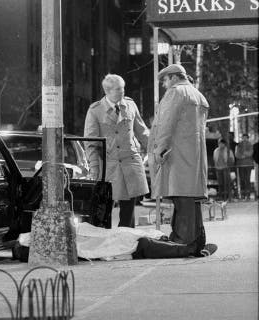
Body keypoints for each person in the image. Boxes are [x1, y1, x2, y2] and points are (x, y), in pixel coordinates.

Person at [148, 63, 215, 256]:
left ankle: (183, 243)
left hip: (177, 155)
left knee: (182, 198)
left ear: (174, 77)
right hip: (193, 156)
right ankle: (196, 240)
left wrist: (159, 150)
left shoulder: (176, 93)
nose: (164, 85)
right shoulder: (197, 95)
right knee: (191, 200)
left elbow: (166, 124)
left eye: (165, 80)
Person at [84, 74, 149, 228]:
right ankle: (105, 245)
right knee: (103, 212)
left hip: (130, 164)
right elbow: (91, 144)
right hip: (109, 167)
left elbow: (142, 131)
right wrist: (95, 170)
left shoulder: (130, 105)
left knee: (128, 214)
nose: (122, 91)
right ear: (107, 91)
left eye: (123, 88)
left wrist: (156, 148)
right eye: (118, 89)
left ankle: (127, 244)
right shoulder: (95, 110)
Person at [234, 133, 254, 200]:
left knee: (247, 179)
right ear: (242, 138)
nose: (244, 139)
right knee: (242, 179)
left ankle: (248, 194)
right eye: (243, 137)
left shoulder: (250, 144)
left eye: (246, 137)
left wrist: (243, 154)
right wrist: (244, 155)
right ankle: (242, 194)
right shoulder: (239, 145)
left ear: (247, 138)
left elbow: (251, 153)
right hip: (240, 165)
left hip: (248, 164)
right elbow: (237, 154)